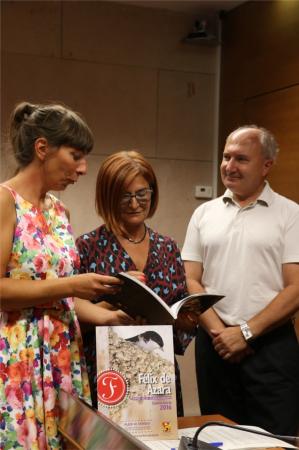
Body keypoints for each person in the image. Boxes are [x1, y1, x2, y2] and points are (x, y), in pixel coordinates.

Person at [0, 102, 130, 449]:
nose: (83, 168)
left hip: (61, 353)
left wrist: (108, 316)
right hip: (17, 355)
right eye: (75, 155)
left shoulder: (60, 210)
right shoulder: (5, 201)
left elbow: (61, 299)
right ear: (42, 148)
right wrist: (74, 284)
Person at [181, 125, 299, 435]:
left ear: (266, 166)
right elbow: (191, 280)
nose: (230, 167)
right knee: (218, 436)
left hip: (271, 348)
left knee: (275, 440)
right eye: (226, 157)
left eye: (241, 159)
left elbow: (296, 287)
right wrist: (223, 335)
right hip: (215, 345)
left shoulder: (291, 215)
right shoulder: (203, 214)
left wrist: (245, 332)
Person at [76, 150, 197, 417]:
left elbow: (182, 316)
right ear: (108, 197)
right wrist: (114, 299)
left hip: (157, 372)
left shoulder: (167, 247)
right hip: (108, 373)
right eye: (124, 196)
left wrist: (189, 313)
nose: (134, 204)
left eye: (142, 194)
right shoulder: (87, 246)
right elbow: (71, 317)